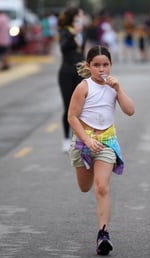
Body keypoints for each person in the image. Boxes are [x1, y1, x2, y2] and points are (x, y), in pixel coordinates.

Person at [67, 45, 135, 255]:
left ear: (111, 65)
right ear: (89, 66)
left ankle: (103, 234)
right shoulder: (83, 87)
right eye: (96, 65)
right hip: (83, 142)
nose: (101, 69)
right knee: (85, 187)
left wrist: (119, 89)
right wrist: (86, 140)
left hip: (106, 141)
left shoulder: (112, 87)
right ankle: (102, 233)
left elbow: (130, 111)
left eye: (105, 64)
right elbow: (72, 117)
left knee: (102, 187)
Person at [57, 7, 85, 152]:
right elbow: (63, 48)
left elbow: (82, 54)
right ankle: (66, 139)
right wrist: (74, 34)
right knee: (69, 107)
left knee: (81, 108)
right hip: (67, 73)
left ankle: (79, 138)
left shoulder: (82, 33)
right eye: (81, 15)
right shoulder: (66, 32)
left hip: (81, 74)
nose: (83, 17)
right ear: (75, 17)